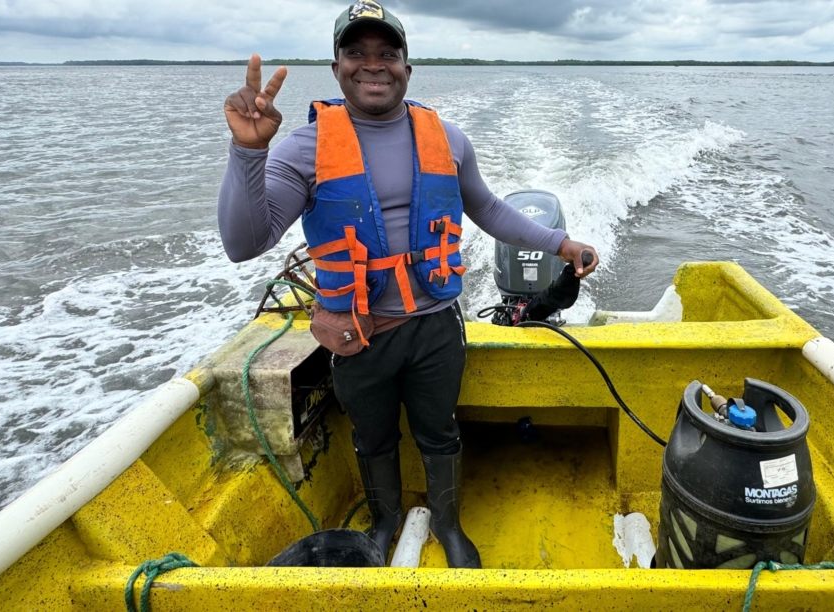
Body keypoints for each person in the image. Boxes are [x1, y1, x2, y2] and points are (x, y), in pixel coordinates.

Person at [217, 0, 599, 569]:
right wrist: (249, 150)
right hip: (357, 334)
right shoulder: (304, 147)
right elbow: (244, 241)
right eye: (356, 53)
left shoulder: (448, 137)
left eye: (387, 53)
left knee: (438, 432)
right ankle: (385, 522)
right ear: (337, 67)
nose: (373, 65)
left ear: (407, 68)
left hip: (436, 327)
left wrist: (559, 243)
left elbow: (490, 209)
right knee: (372, 438)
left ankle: (448, 523)